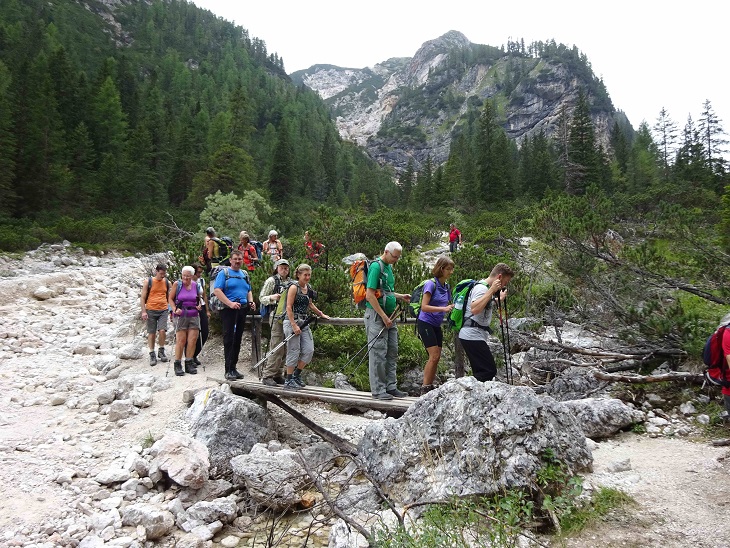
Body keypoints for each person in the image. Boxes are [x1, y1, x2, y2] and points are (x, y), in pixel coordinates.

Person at [365, 242, 411, 400]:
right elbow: (369, 295)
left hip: (390, 316)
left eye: (398, 257)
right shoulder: (376, 267)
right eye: (394, 256)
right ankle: (378, 390)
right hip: (378, 317)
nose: (396, 260)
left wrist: (400, 296)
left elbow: (385, 291)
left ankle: (391, 386)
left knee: (392, 350)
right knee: (378, 353)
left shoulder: (389, 267)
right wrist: (383, 317)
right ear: (386, 252)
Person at [458, 263, 514, 382]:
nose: (505, 285)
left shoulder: (485, 289)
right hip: (471, 335)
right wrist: (492, 291)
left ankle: (472, 393)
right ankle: (461, 389)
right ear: (499, 277)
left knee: (481, 371)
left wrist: (498, 299)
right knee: (488, 370)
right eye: (505, 281)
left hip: (475, 335)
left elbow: (484, 305)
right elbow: (475, 309)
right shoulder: (482, 288)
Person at [282, 263, 330, 390]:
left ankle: (296, 375)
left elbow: (310, 304)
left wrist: (320, 314)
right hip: (292, 321)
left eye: (309, 275)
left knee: (309, 350)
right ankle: (288, 379)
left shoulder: (308, 288)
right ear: (298, 275)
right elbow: (288, 306)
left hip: (304, 322)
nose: (307, 277)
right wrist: (293, 325)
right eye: (305, 275)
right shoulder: (293, 287)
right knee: (294, 350)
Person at [213, 250, 256, 381]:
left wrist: (251, 301)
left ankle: (234, 368)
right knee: (229, 338)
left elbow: (248, 290)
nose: (238, 261)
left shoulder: (244, 274)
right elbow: (217, 290)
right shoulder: (223, 274)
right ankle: (228, 369)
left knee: (238, 338)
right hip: (228, 310)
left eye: (240, 259)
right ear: (230, 260)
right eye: (235, 259)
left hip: (242, 309)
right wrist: (230, 303)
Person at [418, 256, 455, 395]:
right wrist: (443, 309)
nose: (451, 272)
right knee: (433, 355)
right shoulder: (431, 284)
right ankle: (425, 387)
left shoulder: (446, 286)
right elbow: (424, 307)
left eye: (452, 269)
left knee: (437, 356)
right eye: (448, 269)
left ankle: (429, 385)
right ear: (441, 269)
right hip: (426, 322)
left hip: (436, 324)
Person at [258, 259, 291, 386]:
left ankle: (278, 374)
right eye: (282, 267)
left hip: (288, 316)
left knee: (285, 347)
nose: (284, 270)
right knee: (276, 346)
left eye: (286, 268)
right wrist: (272, 297)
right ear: (277, 268)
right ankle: (267, 375)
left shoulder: (291, 282)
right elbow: (262, 298)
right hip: (276, 315)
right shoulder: (271, 281)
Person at [168, 266, 202, 376]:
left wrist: (199, 305)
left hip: (194, 314)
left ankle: (189, 363)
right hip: (180, 315)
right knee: (181, 340)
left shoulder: (195, 285)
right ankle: (177, 364)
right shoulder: (177, 285)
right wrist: (174, 309)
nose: (186, 278)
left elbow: (198, 299)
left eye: (188, 276)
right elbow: (170, 299)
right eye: (184, 276)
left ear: (192, 276)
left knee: (192, 340)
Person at [140, 264, 171, 366]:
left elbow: (170, 298)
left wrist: (171, 310)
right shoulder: (148, 282)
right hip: (151, 309)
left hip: (163, 309)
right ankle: (152, 352)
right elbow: (143, 298)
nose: (162, 275)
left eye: (164, 273)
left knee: (162, 330)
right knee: (151, 332)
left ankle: (161, 350)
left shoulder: (167, 282)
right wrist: (144, 311)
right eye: (161, 273)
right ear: (156, 271)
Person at [192, 265, 210, 366]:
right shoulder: (187, 282)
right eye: (198, 272)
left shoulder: (201, 281)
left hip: (201, 306)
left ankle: (195, 353)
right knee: (193, 333)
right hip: (191, 308)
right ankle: (190, 356)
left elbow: (204, 295)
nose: (199, 274)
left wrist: (207, 310)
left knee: (204, 331)